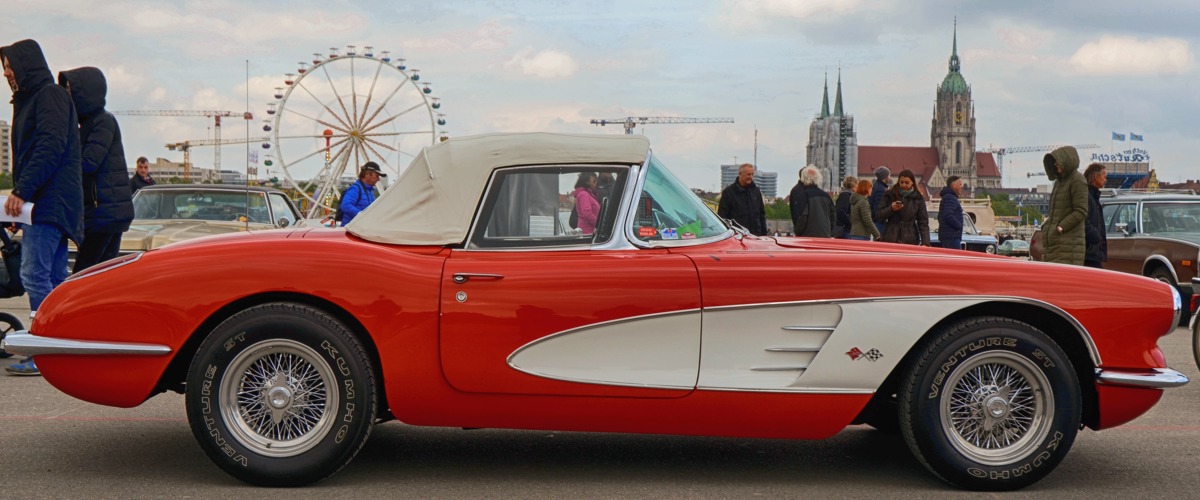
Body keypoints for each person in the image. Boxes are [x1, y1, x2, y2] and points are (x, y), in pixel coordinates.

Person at [2, 39, 84, 376]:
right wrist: (19, 212)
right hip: (46, 204)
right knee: (52, 276)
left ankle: (43, 351)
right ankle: (59, 345)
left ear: (25, 65)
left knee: (34, 275)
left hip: (50, 202)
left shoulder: (48, 95)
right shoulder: (33, 98)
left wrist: (21, 192)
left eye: (9, 66)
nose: (6, 73)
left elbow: (49, 146)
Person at [60, 67, 134, 272]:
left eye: (69, 89)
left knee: (84, 274)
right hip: (106, 213)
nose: (67, 94)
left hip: (103, 213)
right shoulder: (91, 124)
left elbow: (89, 162)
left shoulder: (102, 122)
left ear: (84, 93)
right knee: (101, 275)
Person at [1041, 146, 1087, 265]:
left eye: (1058, 162)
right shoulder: (1059, 182)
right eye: (1054, 162)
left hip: (1068, 244)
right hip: (1056, 244)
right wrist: (1047, 226)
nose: (1056, 165)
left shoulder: (1077, 180)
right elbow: (1055, 212)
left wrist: (1061, 227)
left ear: (1067, 161)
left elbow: (1081, 211)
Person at [875, 169, 929, 245]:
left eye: (907, 183)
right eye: (901, 182)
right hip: (891, 237)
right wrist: (891, 209)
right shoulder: (890, 194)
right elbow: (879, 215)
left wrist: (925, 243)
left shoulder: (918, 198)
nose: (903, 185)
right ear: (898, 182)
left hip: (910, 239)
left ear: (912, 182)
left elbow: (923, 222)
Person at [717, 163, 767, 236]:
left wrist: (764, 235)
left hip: (756, 236)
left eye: (752, 174)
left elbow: (761, 215)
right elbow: (723, 217)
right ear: (740, 174)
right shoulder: (729, 193)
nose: (751, 177)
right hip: (737, 237)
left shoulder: (756, 192)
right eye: (748, 174)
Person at [789, 165, 834, 237]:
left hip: (808, 235)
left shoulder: (802, 195)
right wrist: (829, 230)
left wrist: (797, 231)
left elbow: (802, 217)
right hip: (825, 234)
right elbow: (833, 216)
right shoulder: (826, 195)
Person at [339, 161, 386, 225]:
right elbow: (345, 205)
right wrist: (362, 216)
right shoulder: (356, 189)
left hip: (359, 229)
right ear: (367, 174)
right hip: (352, 231)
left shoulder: (370, 191)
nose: (378, 179)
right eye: (377, 176)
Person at [1083, 162, 1108, 268]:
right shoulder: (1088, 197)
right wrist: (1096, 237)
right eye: (1104, 176)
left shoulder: (1094, 197)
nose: (1105, 180)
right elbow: (1085, 220)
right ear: (1095, 177)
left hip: (1093, 252)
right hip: (1090, 252)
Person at [937, 175, 965, 251]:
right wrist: (959, 226)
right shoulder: (950, 198)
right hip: (951, 236)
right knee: (956, 259)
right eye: (960, 184)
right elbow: (948, 215)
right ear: (954, 186)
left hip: (948, 235)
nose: (962, 187)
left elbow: (940, 216)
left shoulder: (947, 197)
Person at [869, 166, 891, 235]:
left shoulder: (877, 186)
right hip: (879, 223)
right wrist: (881, 220)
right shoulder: (881, 189)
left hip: (877, 221)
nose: (890, 177)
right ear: (885, 177)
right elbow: (878, 206)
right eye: (889, 175)